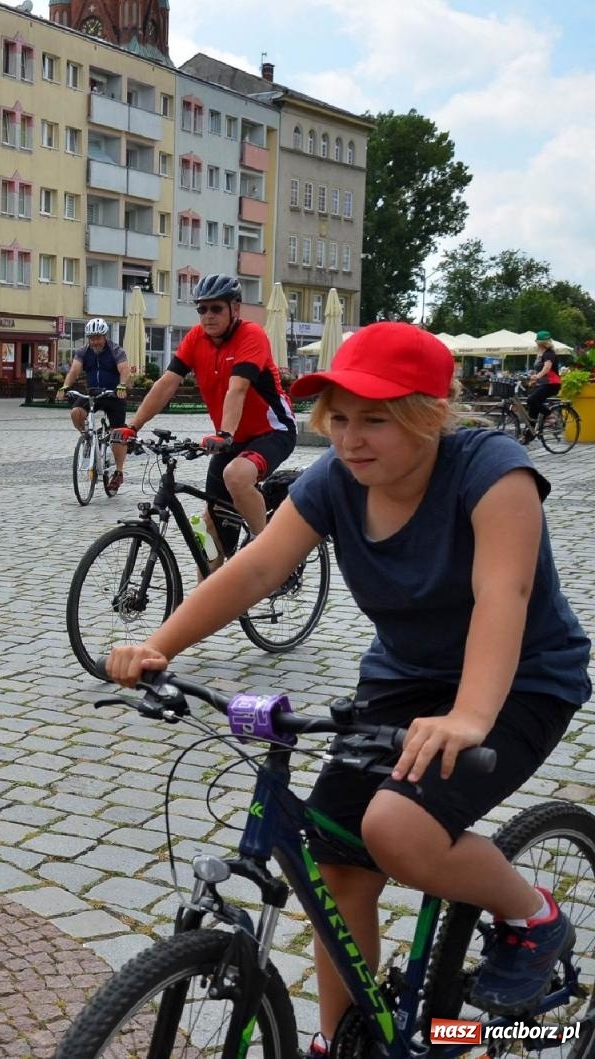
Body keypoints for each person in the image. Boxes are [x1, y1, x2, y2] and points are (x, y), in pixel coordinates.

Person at [105, 322, 587, 1057]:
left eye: (376, 419)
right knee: (335, 862)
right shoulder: (335, 480)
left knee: (397, 829)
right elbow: (256, 570)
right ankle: (345, 1040)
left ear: (429, 414)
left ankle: (534, 916)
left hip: (519, 679)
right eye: (338, 419)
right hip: (404, 680)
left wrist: (468, 716)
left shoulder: (494, 471)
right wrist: (158, 644)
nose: (351, 438)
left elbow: (504, 593)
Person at [114, 274, 293, 565]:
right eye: (202, 309)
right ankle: (207, 601)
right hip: (231, 439)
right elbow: (167, 383)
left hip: (273, 431)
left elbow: (238, 389)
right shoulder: (196, 338)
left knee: (235, 475)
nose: (207, 316)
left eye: (215, 308)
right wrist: (133, 426)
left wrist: (224, 433)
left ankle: (268, 553)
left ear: (235, 308)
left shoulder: (252, 336)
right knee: (209, 535)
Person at [60, 318, 132, 495]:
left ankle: (119, 472)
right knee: (76, 412)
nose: (95, 341)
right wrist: (65, 386)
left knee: (117, 435)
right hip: (94, 394)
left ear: (104, 336)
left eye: (98, 337)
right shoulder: (83, 352)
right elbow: (75, 370)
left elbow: (124, 370)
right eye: (91, 338)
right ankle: (87, 437)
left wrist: (122, 386)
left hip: (114, 395)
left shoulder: (116, 350)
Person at [521, 329, 561, 437]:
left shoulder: (549, 354)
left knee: (531, 400)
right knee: (532, 407)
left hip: (552, 384)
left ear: (540, 343)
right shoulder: (540, 354)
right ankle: (529, 435)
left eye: (537, 342)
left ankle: (550, 416)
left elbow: (547, 367)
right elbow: (538, 369)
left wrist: (538, 376)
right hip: (543, 384)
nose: (536, 344)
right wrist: (534, 379)